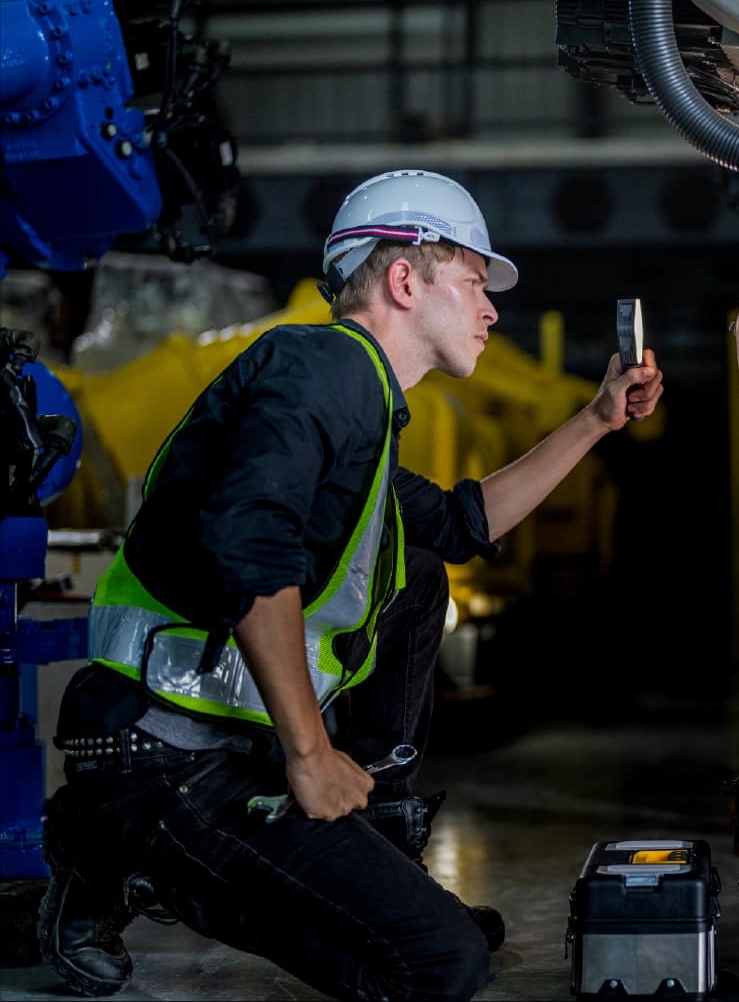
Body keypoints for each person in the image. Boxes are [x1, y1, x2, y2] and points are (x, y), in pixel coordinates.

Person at [37, 169, 664, 1001]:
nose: (490, 310)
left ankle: (375, 833)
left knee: (421, 572)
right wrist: (311, 755)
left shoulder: (354, 407)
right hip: (160, 758)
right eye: (474, 282)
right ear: (404, 279)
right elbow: (250, 550)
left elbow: (463, 522)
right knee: (438, 965)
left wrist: (595, 420)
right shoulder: (321, 368)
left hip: (224, 748)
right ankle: (117, 860)